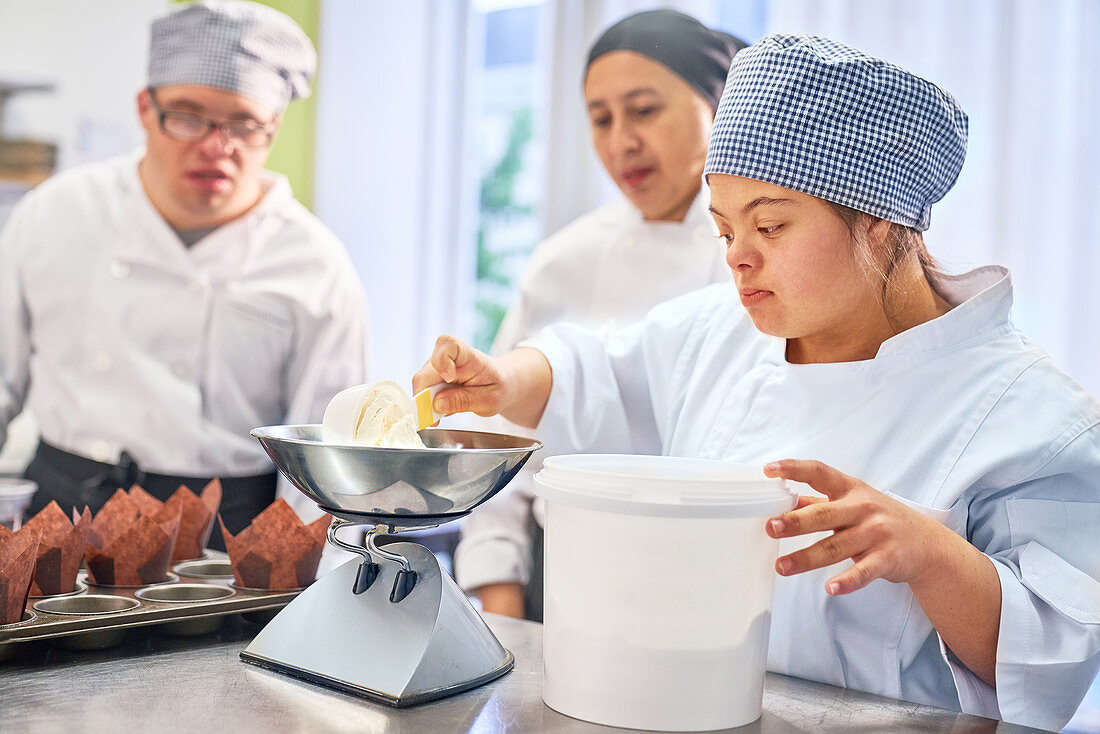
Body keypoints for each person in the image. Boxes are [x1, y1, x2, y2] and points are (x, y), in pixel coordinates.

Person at [416, 34, 1100, 730]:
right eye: (723, 232)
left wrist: (929, 556)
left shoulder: (1031, 417)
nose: (738, 259)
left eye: (769, 225)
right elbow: (596, 369)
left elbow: (1053, 666)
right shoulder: (719, 335)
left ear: (879, 223)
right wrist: (502, 380)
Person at [0, 0, 370, 548]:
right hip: (63, 518)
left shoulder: (315, 264)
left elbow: (328, 462)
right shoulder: (56, 214)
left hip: (227, 540)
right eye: (188, 116)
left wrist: (300, 589)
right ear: (145, 108)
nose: (217, 146)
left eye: (244, 124)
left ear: (273, 127)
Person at [456, 10, 745, 620]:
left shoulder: (752, 260)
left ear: (716, 105)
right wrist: (500, 590)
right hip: (557, 570)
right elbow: (502, 447)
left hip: (705, 575)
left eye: (644, 110)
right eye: (600, 118)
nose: (621, 142)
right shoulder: (565, 259)